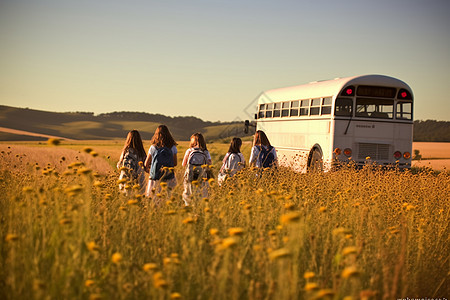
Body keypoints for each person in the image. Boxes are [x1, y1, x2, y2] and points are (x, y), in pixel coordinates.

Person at [144, 125, 178, 199]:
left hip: (155, 178)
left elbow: (146, 164)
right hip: (169, 177)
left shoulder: (153, 147)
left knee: (154, 199)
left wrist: (151, 170)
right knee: (168, 198)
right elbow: (175, 163)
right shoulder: (173, 147)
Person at [182, 132, 212, 205]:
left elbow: (183, 164)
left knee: (188, 195)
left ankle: (189, 210)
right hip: (203, 177)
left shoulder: (189, 151)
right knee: (202, 196)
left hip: (190, 176)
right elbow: (209, 164)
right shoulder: (205, 152)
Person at [117, 130, 147, 194]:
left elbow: (119, 166)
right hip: (139, 181)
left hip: (125, 181)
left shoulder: (125, 151)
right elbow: (146, 166)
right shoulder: (142, 153)